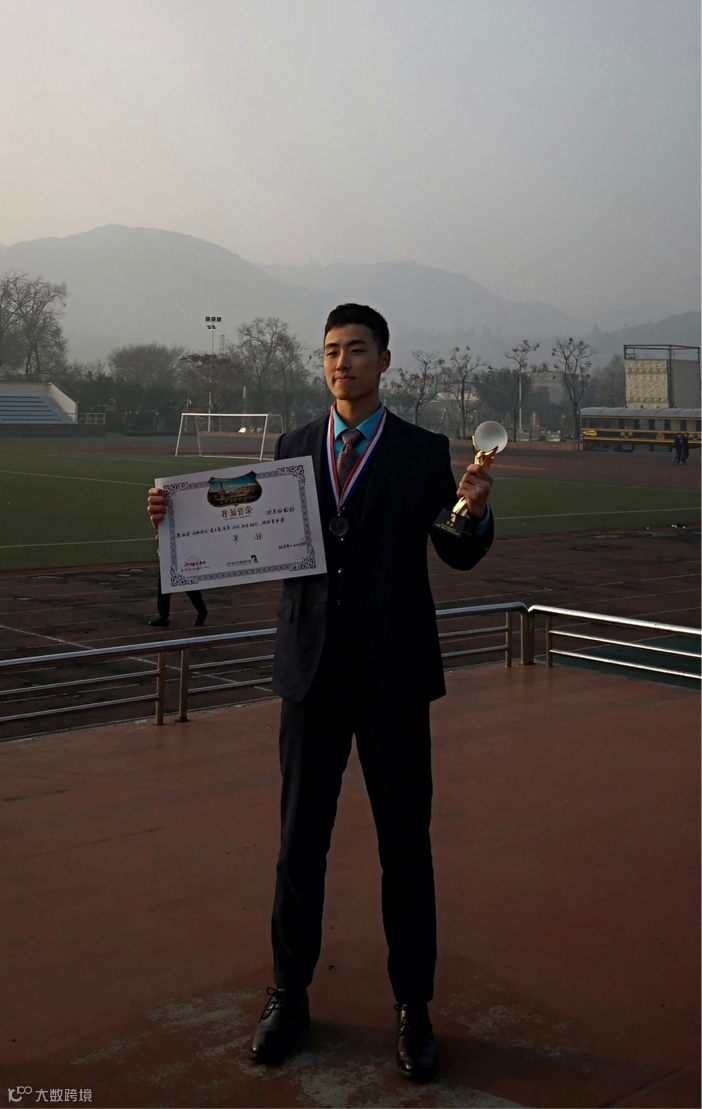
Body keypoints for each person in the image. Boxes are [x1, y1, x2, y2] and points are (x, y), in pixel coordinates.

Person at [147, 303, 494, 1082]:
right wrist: (175, 518)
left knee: (405, 848)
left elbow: (457, 549)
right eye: (332, 350)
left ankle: (413, 1007)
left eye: (358, 349)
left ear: (385, 360)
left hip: (394, 678)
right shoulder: (292, 448)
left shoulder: (421, 451)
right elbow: (237, 528)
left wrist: (474, 510)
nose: (343, 362)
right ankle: (288, 995)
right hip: (310, 675)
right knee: (300, 844)